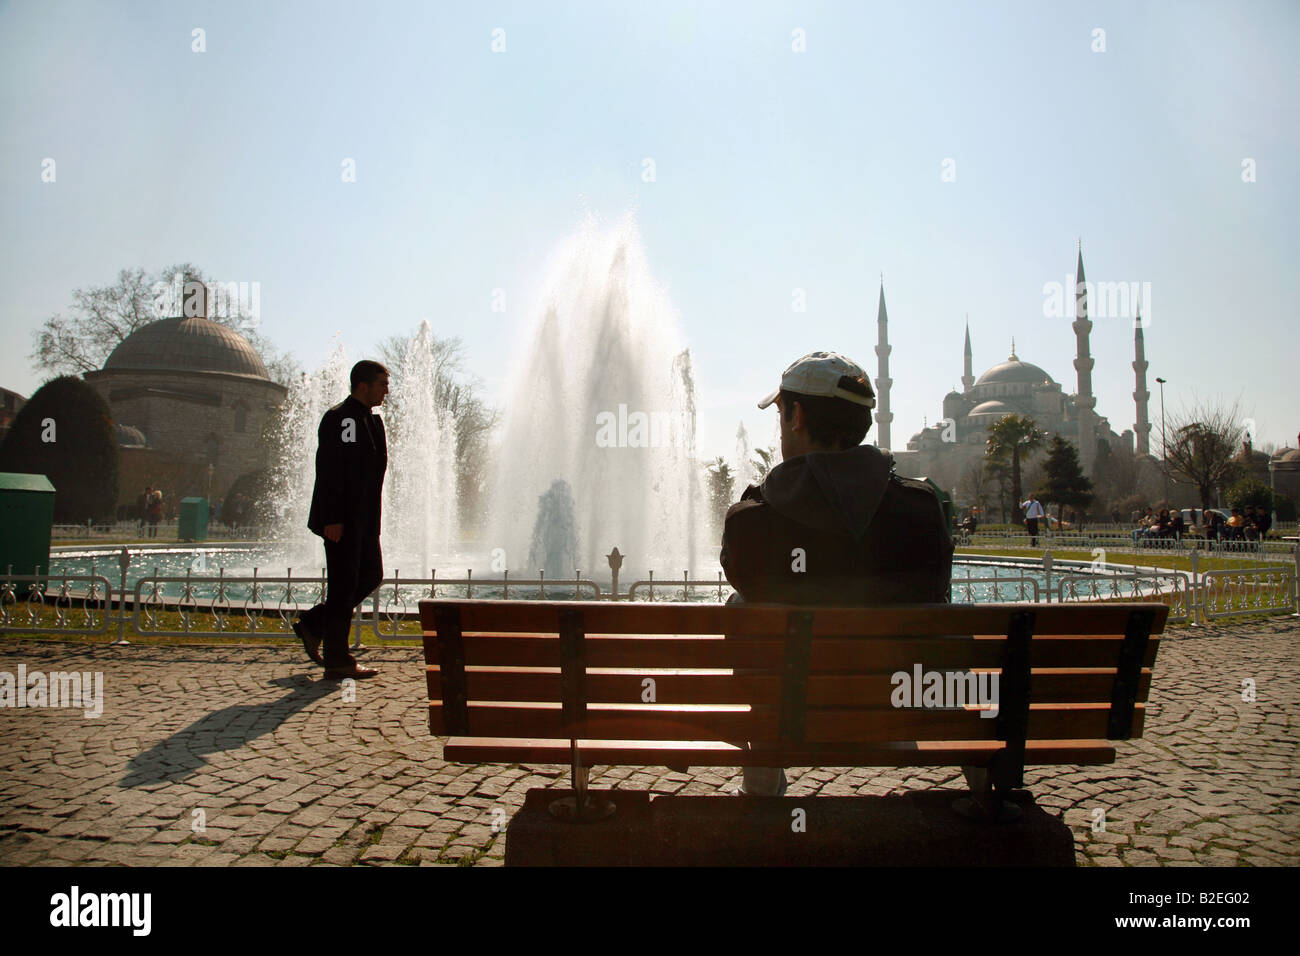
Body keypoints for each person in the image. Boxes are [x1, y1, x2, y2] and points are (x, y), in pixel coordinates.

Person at [719, 351, 953, 796]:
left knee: (742, 609)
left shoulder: (751, 521)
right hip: (899, 711)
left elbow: (743, 580)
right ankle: (983, 783)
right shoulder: (923, 510)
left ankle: (763, 774)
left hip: (787, 713)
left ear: (797, 416)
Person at [293, 360, 390, 680]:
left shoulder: (372, 421)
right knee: (343, 586)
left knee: (371, 575)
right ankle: (338, 659)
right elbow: (333, 470)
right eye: (381, 384)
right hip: (342, 521)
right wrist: (332, 517)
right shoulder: (342, 418)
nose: (386, 391)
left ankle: (314, 625)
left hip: (365, 520)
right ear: (362, 386)